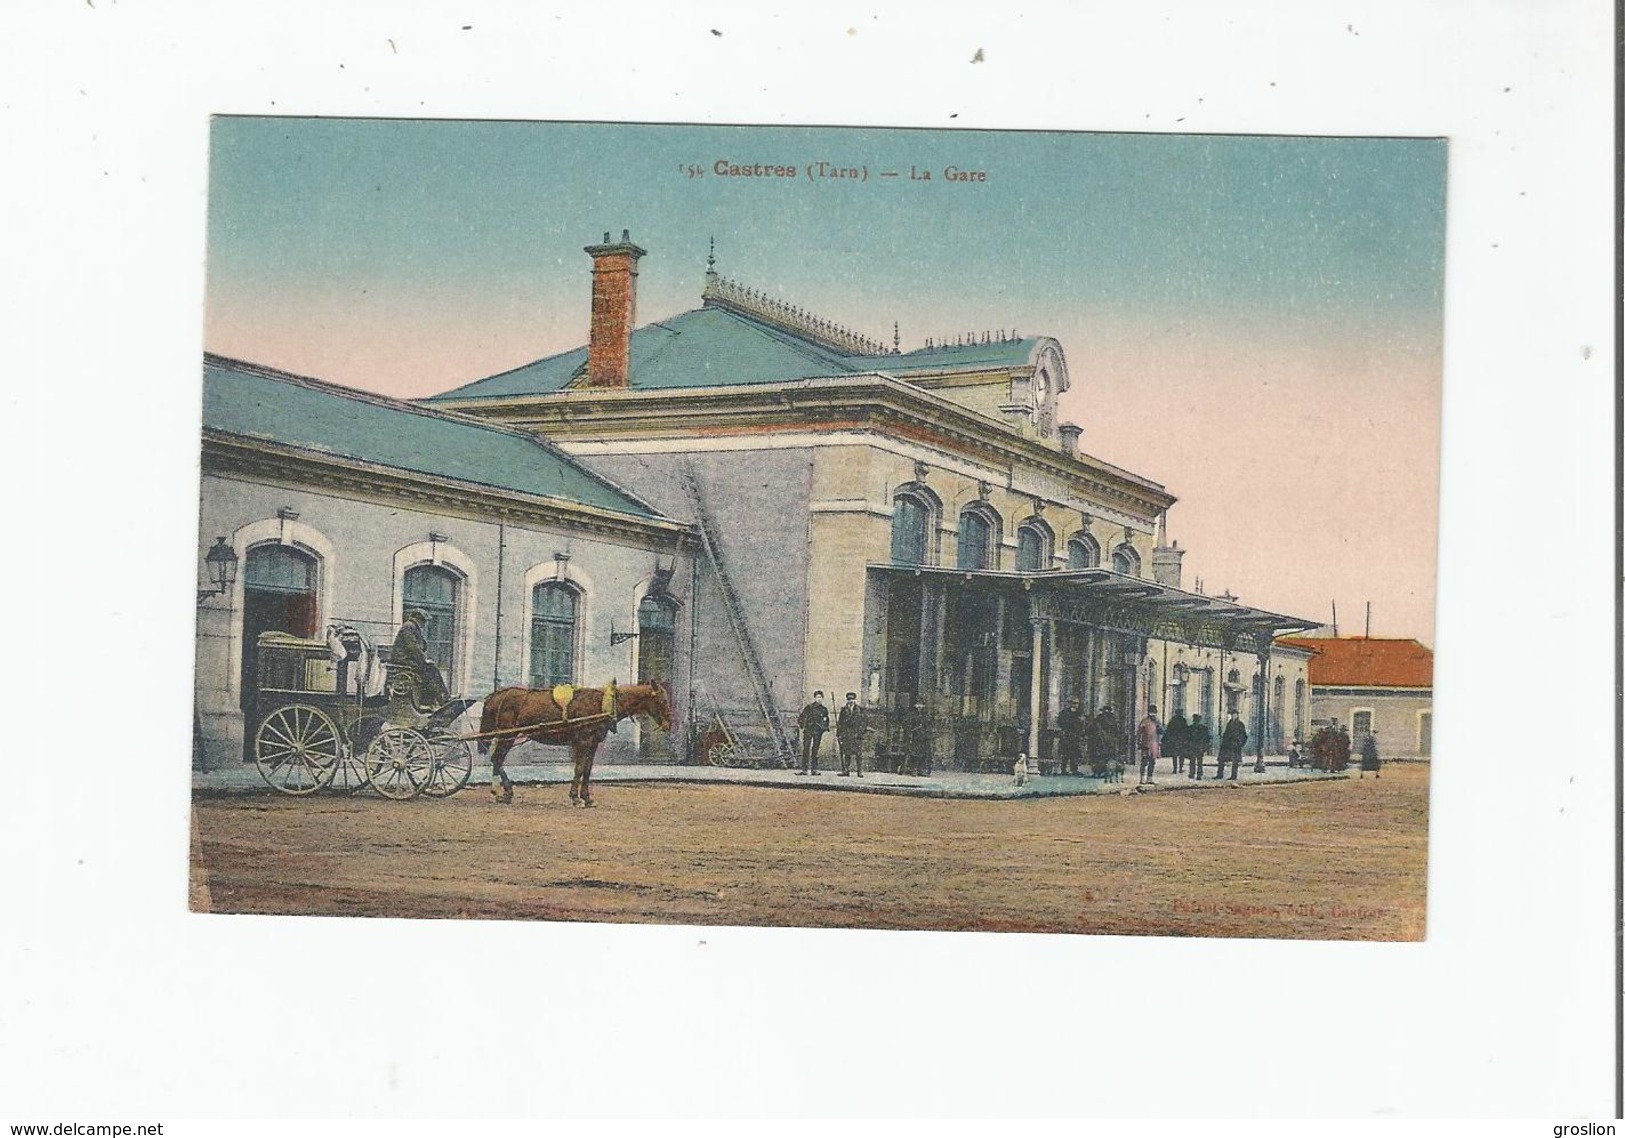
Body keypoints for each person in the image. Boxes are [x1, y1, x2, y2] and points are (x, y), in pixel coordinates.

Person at [390, 609, 449, 707]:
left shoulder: (413, 628)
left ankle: (439, 699)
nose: (424, 623)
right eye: (423, 621)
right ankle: (441, 699)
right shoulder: (409, 627)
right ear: (417, 619)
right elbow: (413, 647)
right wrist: (424, 660)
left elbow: (419, 646)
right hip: (403, 660)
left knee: (430, 669)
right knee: (431, 669)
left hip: (407, 660)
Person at [796, 691, 829, 775]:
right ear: (815, 698)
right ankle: (804, 769)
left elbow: (826, 720)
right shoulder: (809, 707)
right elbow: (801, 717)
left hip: (818, 732)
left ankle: (814, 769)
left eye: (820, 697)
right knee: (806, 749)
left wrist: (824, 728)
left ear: (822, 698)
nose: (819, 699)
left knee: (815, 750)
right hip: (809, 731)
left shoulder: (824, 709)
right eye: (817, 697)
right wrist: (803, 725)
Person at [835, 691, 866, 777]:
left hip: (857, 735)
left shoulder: (860, 710)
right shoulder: (843, 710)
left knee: (858, 754)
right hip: (847, 735)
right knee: (847, 753)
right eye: (849, 699)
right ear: (847, 700)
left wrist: (860, 732)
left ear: (855, 700)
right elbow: (840, 723)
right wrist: (839, 734)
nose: (851, 701)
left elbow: (864, 723)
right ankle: (846, 770)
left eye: (852, 699)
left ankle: (859, 771)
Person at [902, 701, 932, 776]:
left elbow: (928, 725)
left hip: (923, 737)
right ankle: (913, 769)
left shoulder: (925, 715)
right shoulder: (911, 714)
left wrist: (927, 733)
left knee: (924, 753)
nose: (919, 707)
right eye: (918, 705)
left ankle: (922, 769)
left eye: (921, 705)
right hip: (914, 737)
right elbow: (907, 723)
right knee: (914, 753)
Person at [1057, 699, 1085, 776]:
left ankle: (1074, 769)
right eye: (1074, 703)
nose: (1075, 705)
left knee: (1074, 754)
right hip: (1067, 735)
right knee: (1065, 753)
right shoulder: (1064, 713)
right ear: (1070, 704)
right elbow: (1060, 722)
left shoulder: (1079, 713)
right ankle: (1063, 769)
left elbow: (1082, 724)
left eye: (1077, 703)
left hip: (1075, 736)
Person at [1218, 709, 1248, 780]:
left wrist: (1240, 744)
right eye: (1232, 715)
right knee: (1221, 759)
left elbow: (1244, 736)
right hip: (1227, 745)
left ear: (1237, 715)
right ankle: (1219, 774)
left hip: (1235, 745)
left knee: (1235, 762)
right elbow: (1226, 733)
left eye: (1234, 714)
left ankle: (1233, 776)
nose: (1233, 716)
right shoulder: (1229, 723)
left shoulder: (1240, 724)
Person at [1136, 705, 1162, 785]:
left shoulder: (1157, 722)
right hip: (1146, 743)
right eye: (1152, 712)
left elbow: (1161, 731)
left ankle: (1149, 778)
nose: (1153, 714)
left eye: (1154, 712)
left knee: (1152, 761)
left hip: (1154, 744)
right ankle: (1142, 778)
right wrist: (1138, 741)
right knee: (1144, 761)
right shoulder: (1144, 721)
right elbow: (1139, 731)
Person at [1185, 713, 1209, 780]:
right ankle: (1198, 774)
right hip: (1199, 747)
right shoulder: (1203, 728)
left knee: (1193, 761)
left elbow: (1187, 738)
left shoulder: (1191, 728)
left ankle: (1193, 774)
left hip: (1195, 746)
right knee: (1199, 761)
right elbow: (1207, 739)